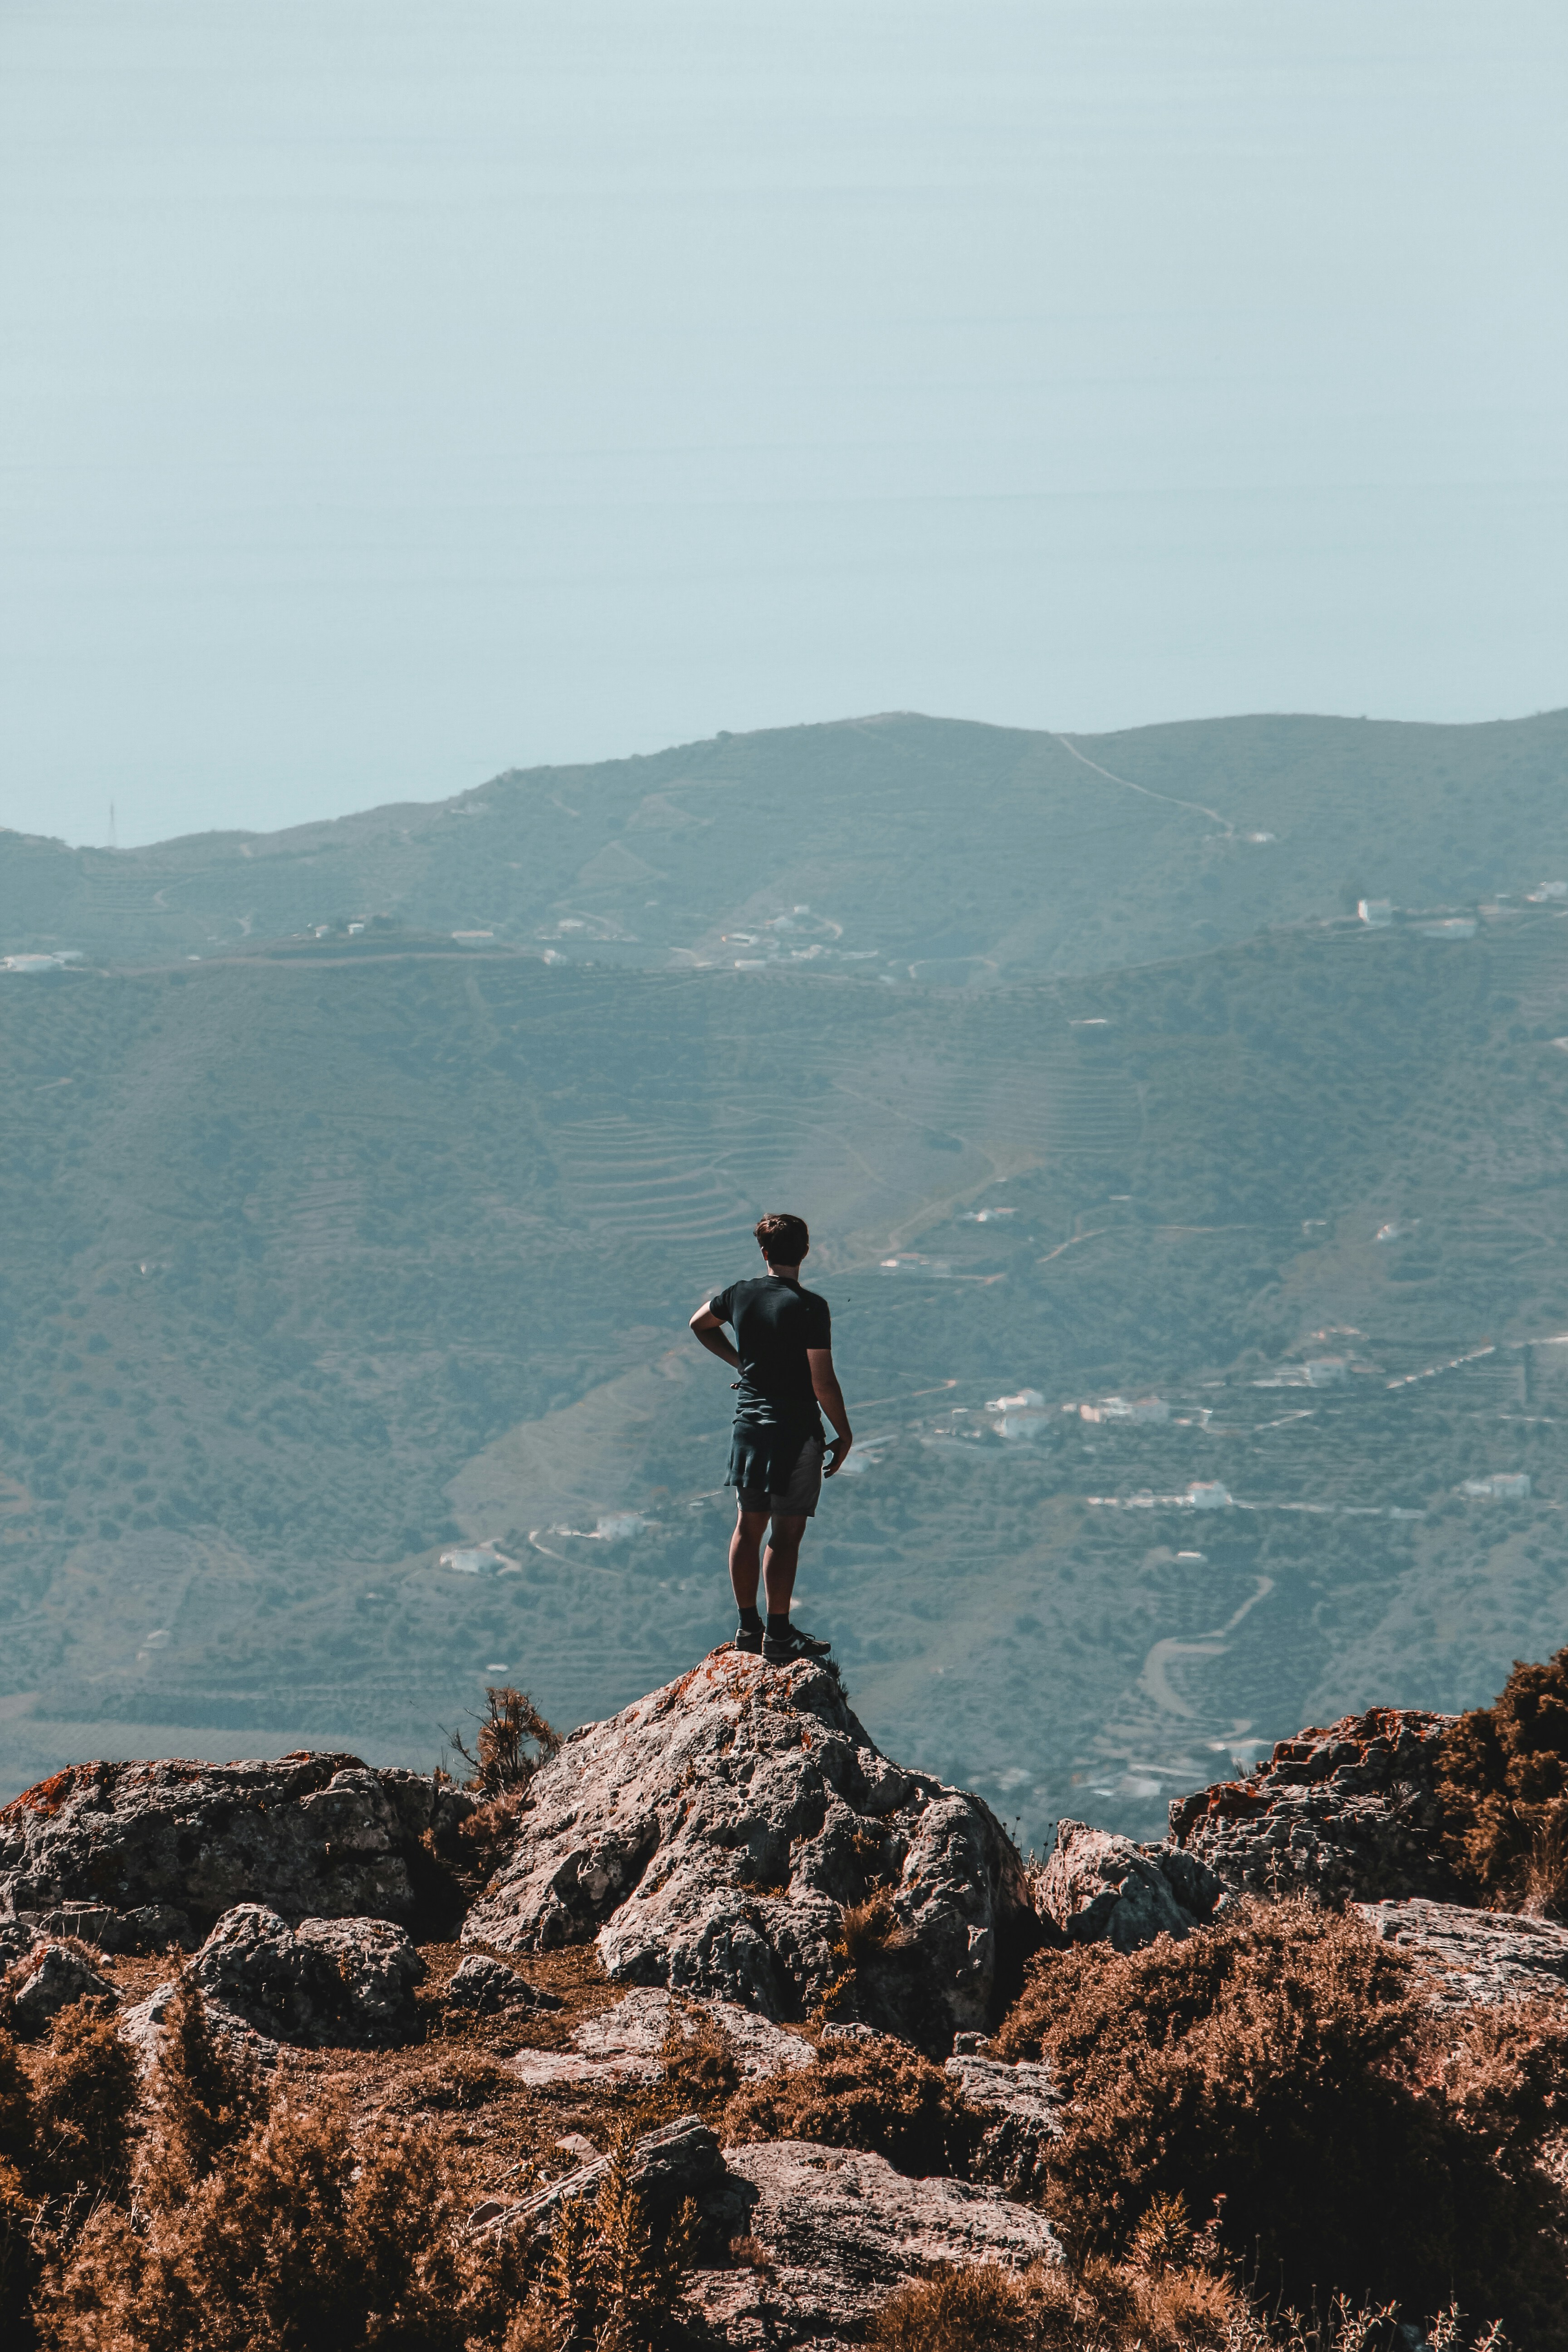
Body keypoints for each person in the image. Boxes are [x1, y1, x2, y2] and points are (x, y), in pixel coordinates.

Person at [689, 1211, 853, 1664]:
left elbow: (699, 1324)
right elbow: (823, 1381)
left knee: (749, 1524)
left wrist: (741, 1364)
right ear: (805, 1251)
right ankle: (779, 1634)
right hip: (795, 1431)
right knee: (785, 1533)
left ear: (764, 1252)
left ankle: (748, 1627)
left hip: (749, 1428)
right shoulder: (809, 1306)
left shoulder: (740, 1294)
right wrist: (844, 1433)